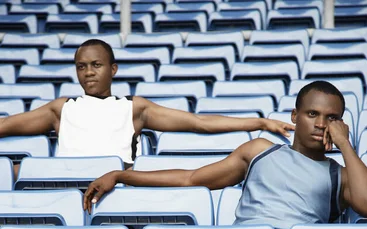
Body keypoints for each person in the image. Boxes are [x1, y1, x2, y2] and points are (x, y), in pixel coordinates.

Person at [83, 80, 367, 229]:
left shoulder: (341, 174)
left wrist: (345, 145)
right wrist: (121, 175)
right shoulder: (259, 151)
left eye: (331, 118)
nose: (321, 124)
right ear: (295, 116)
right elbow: (191, 179)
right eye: (312, 114)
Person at [0, 39, 295, 169]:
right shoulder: (61, 108)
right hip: (64, 192)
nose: (88, 72)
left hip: (115, 190)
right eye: (81, 66)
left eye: (96, 65)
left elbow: (199, 123)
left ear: (112, 69)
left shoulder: (134, 107)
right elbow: (5, 127)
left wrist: (260, 122)